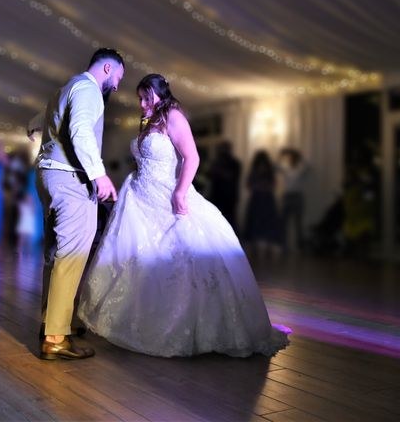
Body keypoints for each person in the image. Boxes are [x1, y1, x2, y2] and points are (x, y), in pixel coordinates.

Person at [77, 74, 289, 358]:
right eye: (139, 98)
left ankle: (190, 326)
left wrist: (180, 192)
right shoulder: (149, 120)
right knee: (137, 258)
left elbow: (193, 157)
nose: (141, 104)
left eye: (145, 97)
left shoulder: (173, 116)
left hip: (167, 194)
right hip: (140, 196)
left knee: (178, 259)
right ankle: (136, 320)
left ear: (159, 93)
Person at [36, 48, 124, 361]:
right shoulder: (88, 89)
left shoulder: (67, 88)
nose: (116, 86)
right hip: (70, 181)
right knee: (72, 255)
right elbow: (80, 130)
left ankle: (52, 322)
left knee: (55, 255)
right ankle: (56, 338)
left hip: (49, 177)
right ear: (108, 68)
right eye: (117, 78)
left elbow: (45, 123)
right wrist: (99, 175)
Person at [244, 150, 282, 259]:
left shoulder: (268, 172)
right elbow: (249, 184)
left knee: (267, 222)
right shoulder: (255, 171)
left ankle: (267, 247)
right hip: (257, 199)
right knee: (255, 222)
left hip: (266, 199)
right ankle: (255, 247)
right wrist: (260, 186)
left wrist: (264, 186)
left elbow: (273, 184)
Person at [278, 148, 308, 252]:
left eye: (294, 158)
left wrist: (299, 155)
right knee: (284, 221)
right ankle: (283, 245)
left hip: (297, 196)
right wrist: (281, 155)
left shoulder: (300, 168)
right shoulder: (286, 168)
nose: (292, 160)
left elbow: (308, 165)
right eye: (291, 158)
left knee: (298, 222)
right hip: (287, 196)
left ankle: (300, 246)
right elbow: (275, 167)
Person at [208, 141, 241, 230]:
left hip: (229, 197)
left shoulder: (235, 163)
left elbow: (231, 176)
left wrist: (220, 172)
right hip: (217, 195)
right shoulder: (216, 163)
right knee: (217, 220)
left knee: (230, 221)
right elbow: (210, 175)